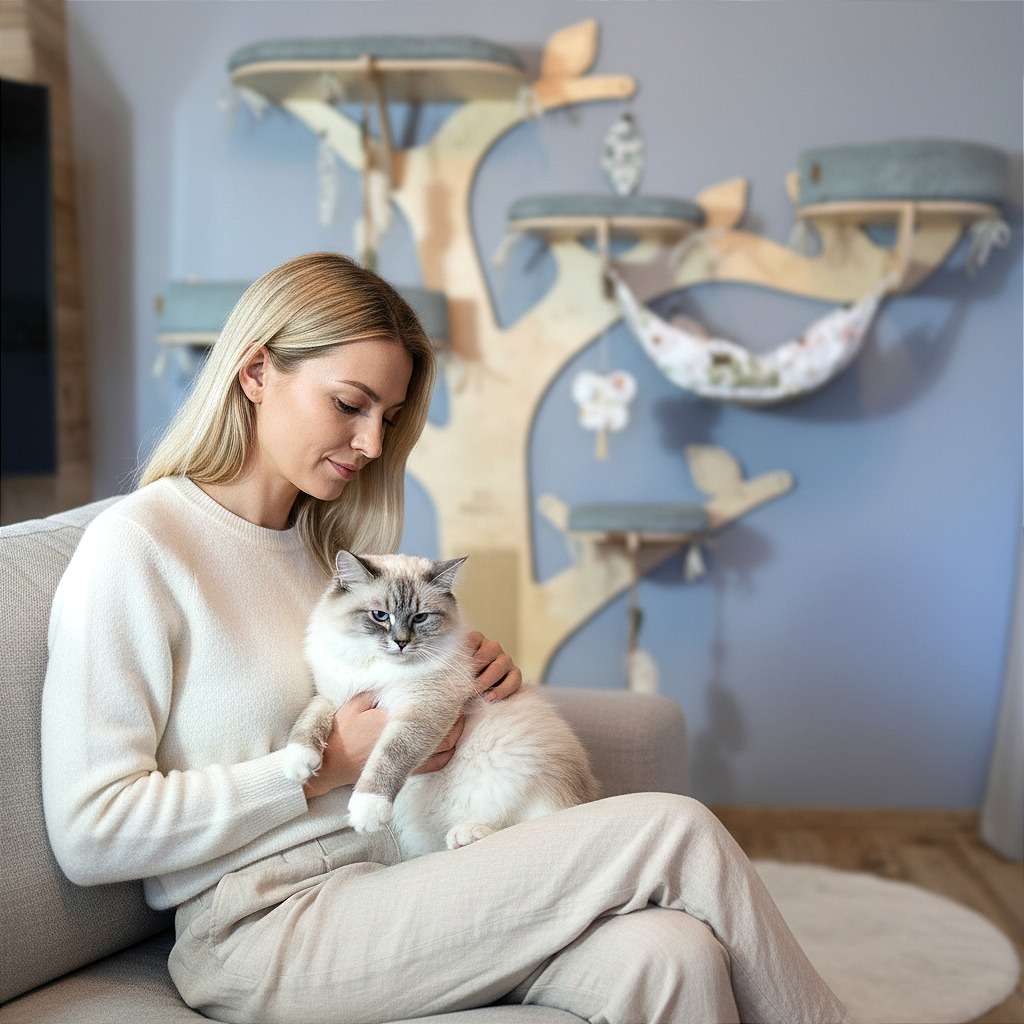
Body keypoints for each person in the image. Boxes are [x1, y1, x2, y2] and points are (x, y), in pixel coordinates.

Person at [41, 252, 851, 1024]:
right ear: (256, 373)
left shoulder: (328, 557)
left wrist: (459, 676)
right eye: (349, 404)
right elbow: (91, 834)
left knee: (672, 955)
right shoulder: (140, 548)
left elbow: (391, 708)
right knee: (675, 830)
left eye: (388, 418)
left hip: (404, 869)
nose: (372, 444)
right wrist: (332, 765)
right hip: (264, 924)